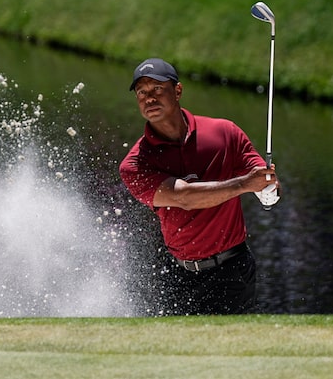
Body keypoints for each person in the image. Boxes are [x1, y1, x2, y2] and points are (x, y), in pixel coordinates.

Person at [119, 57, 280, 315]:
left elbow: (260, 174)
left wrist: (268, 188)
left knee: (231, 348)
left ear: (178, 91)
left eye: (158, 89)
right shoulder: (135, 163)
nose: (149, 98)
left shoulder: (224, 132)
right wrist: (245, 184)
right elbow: (184, 197)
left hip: (233, 269)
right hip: (177, 273)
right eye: (142, 92)